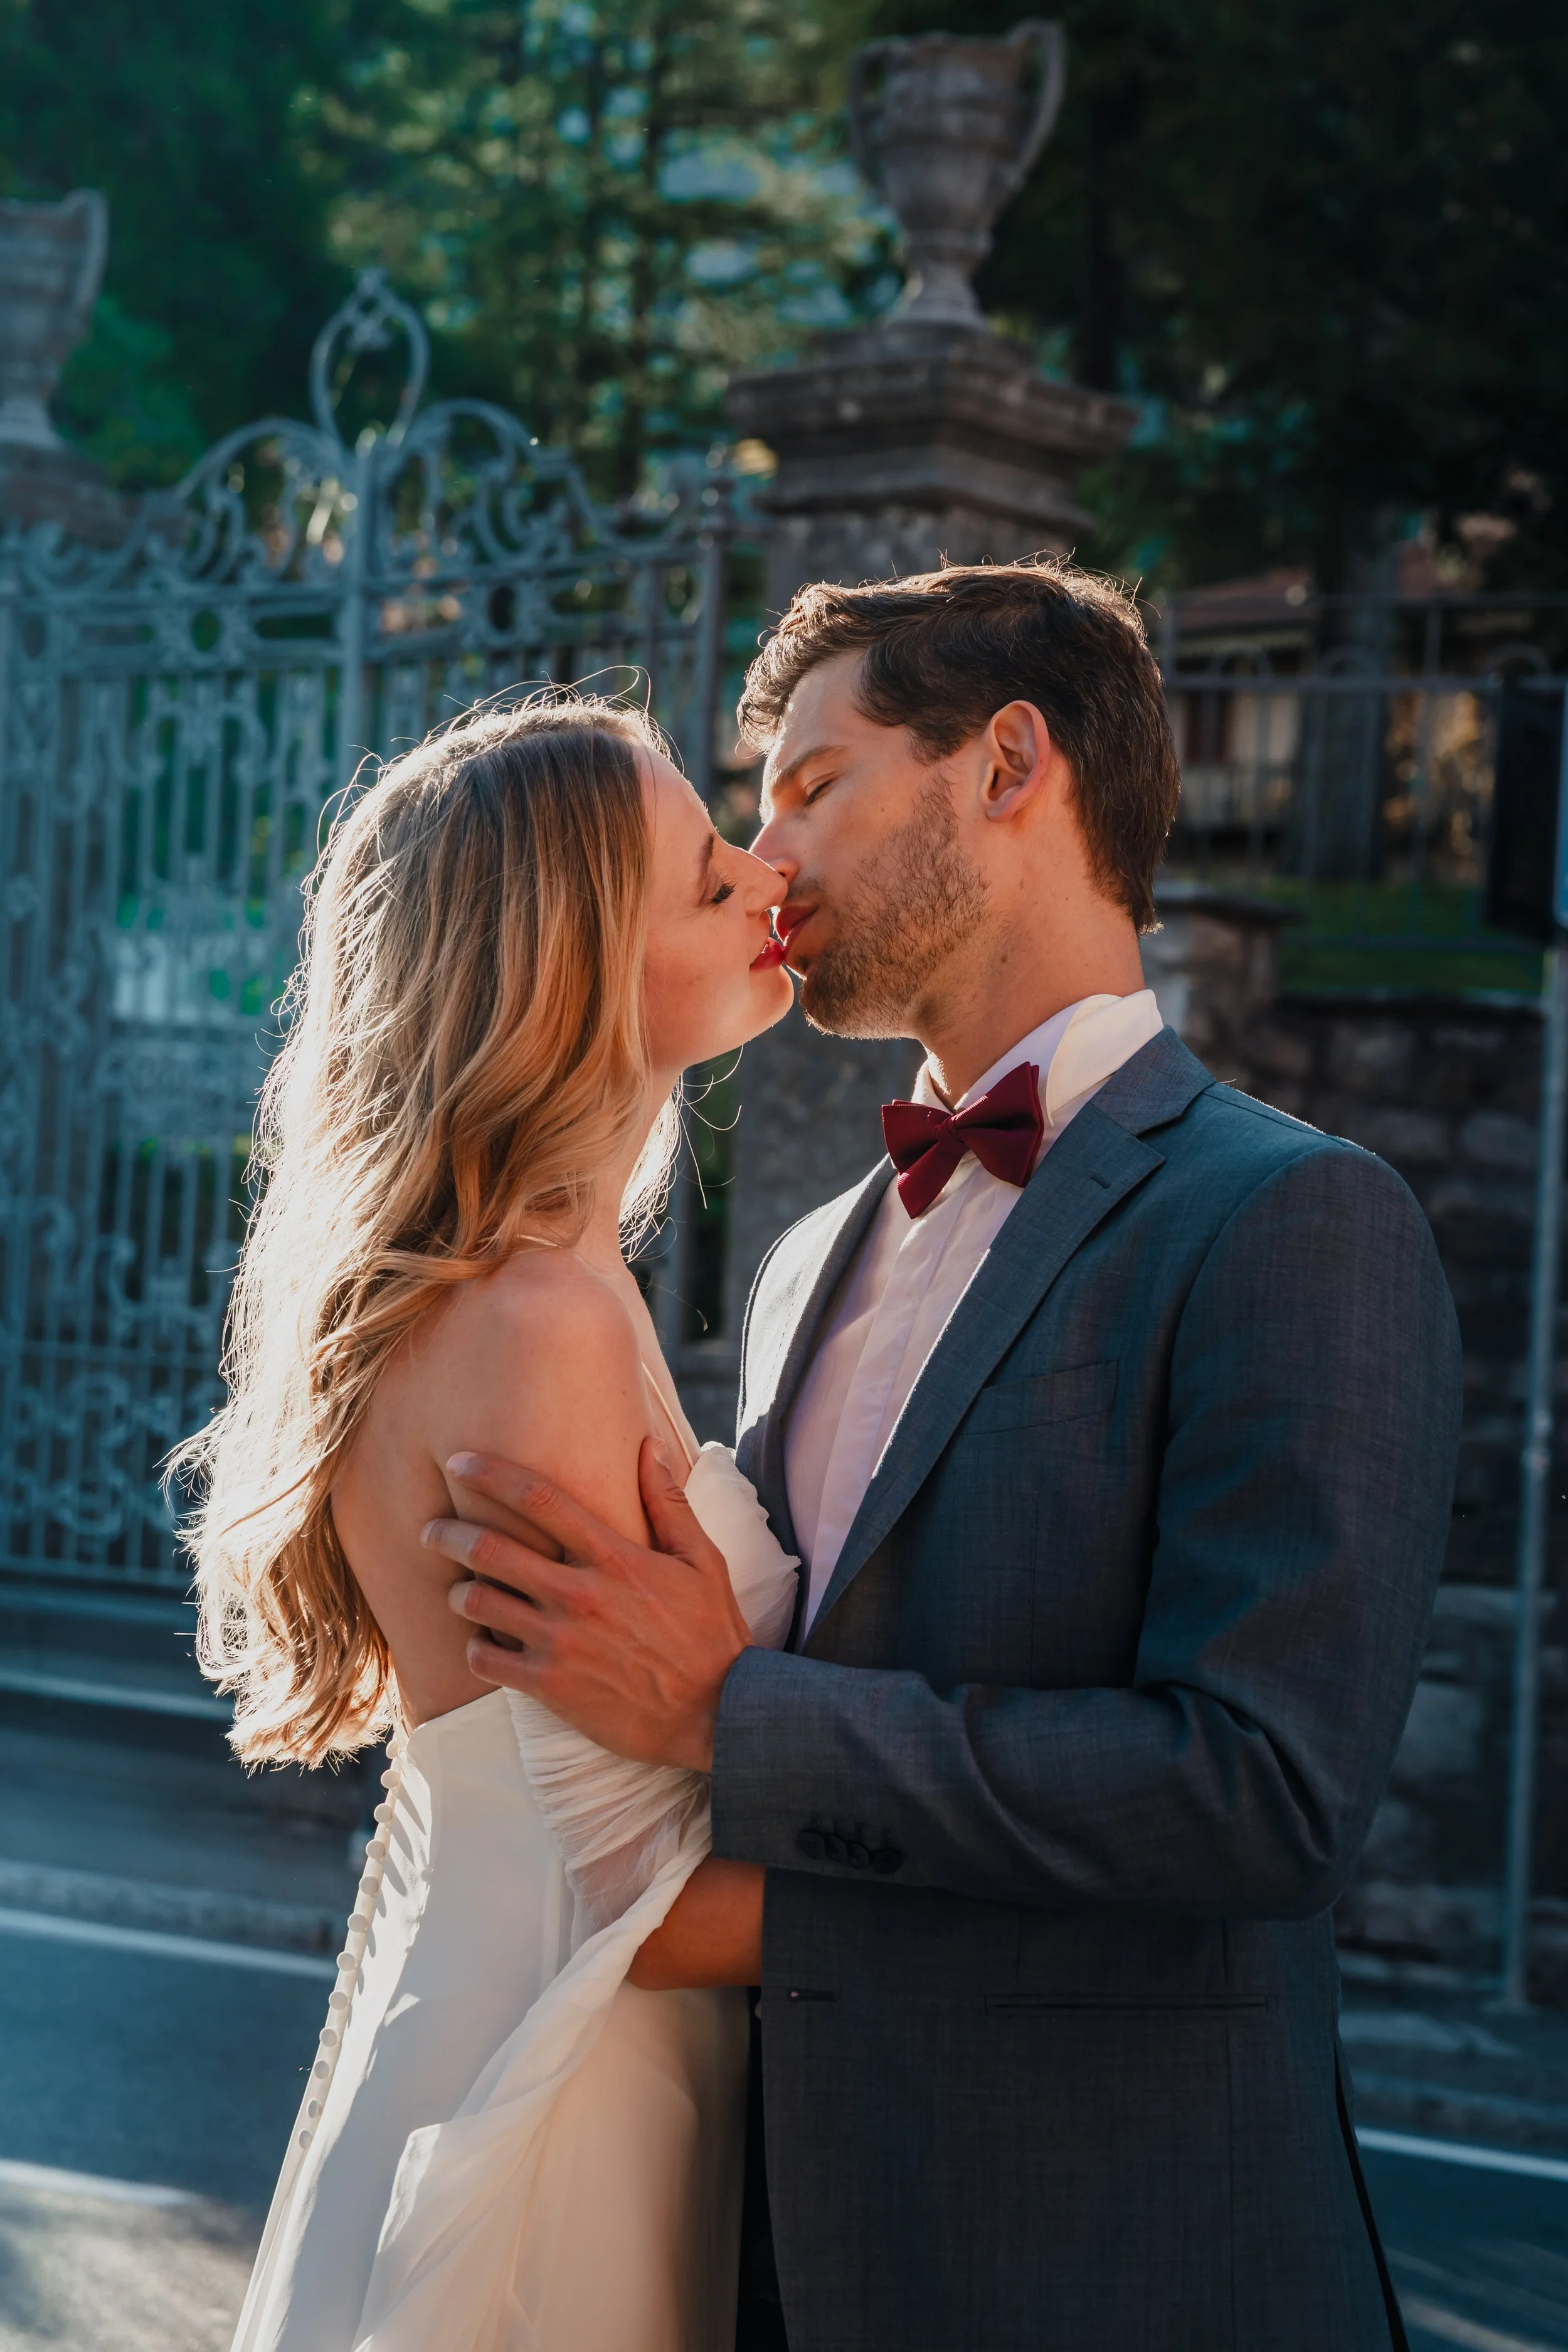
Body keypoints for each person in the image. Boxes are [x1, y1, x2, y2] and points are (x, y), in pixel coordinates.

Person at [425, 560, 1464, 2352]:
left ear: (1005, 765)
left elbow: (1262, 1790)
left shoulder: (1297, 1217)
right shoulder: (806, 1254)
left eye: (809, 785)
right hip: (776, 2261)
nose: (767, 862)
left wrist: (730, 1716)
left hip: (1128, 2274)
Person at [178, 696, 803, 2352]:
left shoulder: (525, 1286)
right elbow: (641, 1906)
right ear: (568, 964)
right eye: (702, 872)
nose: (765, 874)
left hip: (482, 2011)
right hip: (563, 2081)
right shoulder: (537, 1322)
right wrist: (1021, 1903)